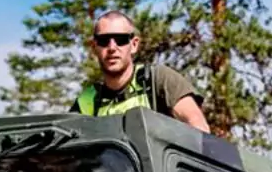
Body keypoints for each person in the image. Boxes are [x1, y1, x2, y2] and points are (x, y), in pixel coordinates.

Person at [73, 11, 211, 133]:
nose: (112, 47)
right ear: (94, 47)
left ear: (133, 45)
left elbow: (199, 129)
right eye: (104, 41)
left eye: (120, 40)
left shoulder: (158, 80)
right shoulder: (88, 100)